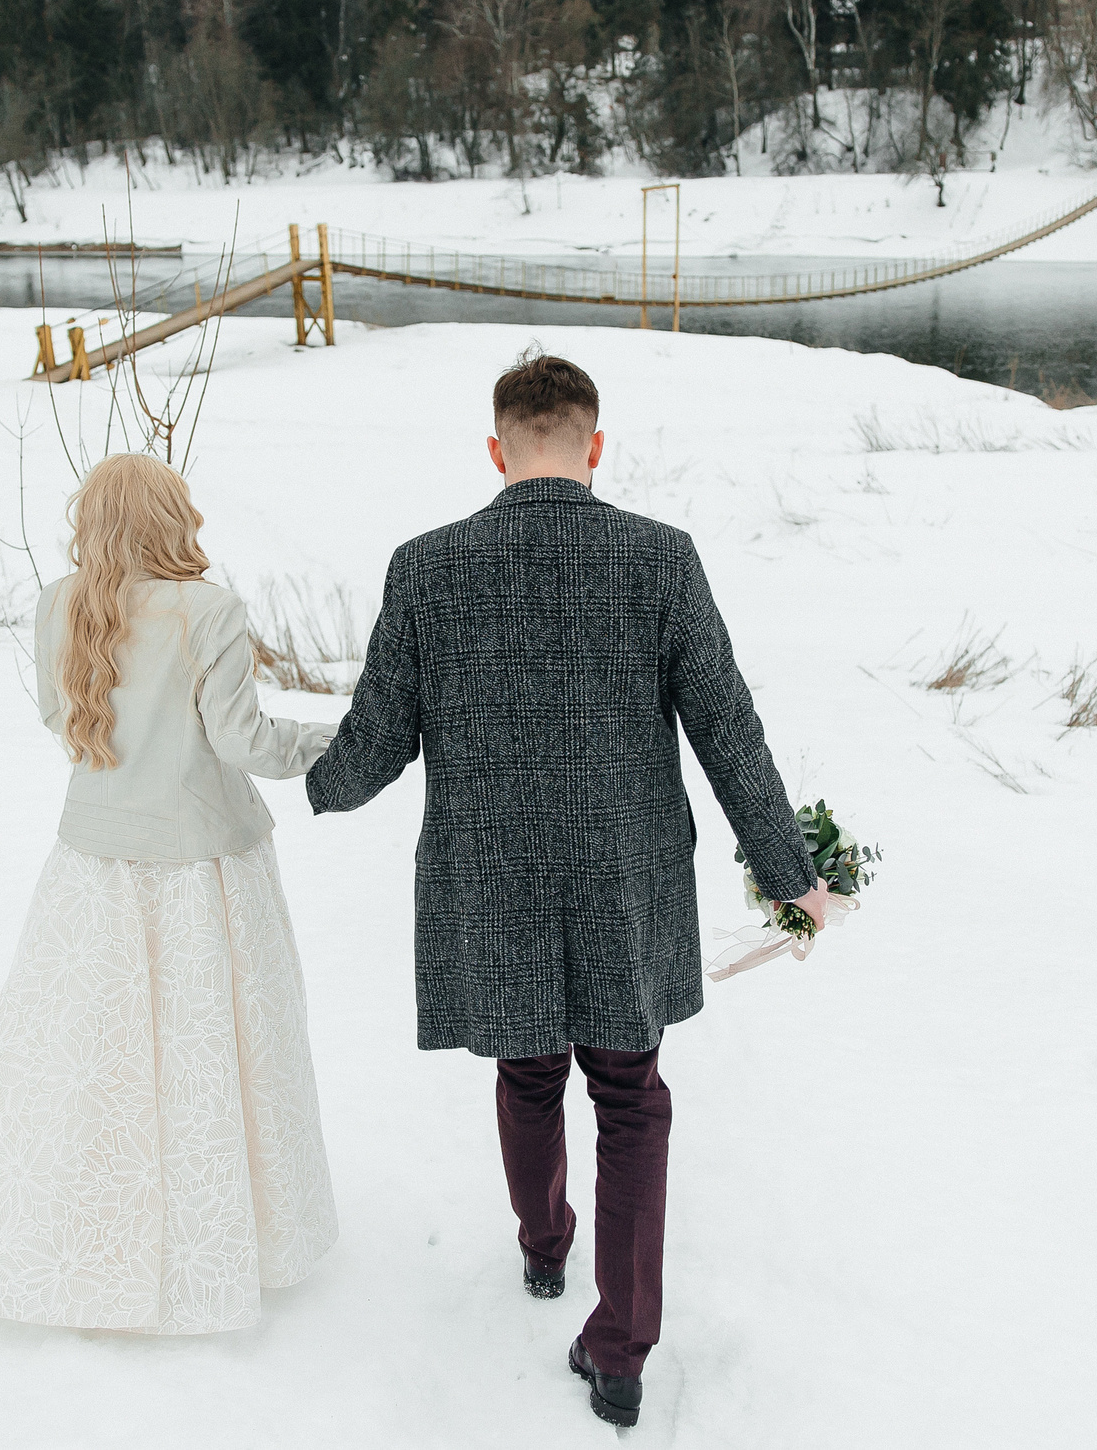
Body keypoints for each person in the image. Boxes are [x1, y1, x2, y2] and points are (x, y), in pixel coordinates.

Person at [307, 353, 822, 1429]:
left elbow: (375, 740)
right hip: (623, 881)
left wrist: (304, 786)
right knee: (631, 1098)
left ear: (497, 452)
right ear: (595, 447)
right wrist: (791, 873)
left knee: (528, 1075)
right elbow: (729, 728)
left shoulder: (426, 567)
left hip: (492, 882)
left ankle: (545, 1252)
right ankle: (622, 1345)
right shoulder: (660, 559)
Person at [0, 452, 339, 1335]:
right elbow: (243, 740)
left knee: (98, 1053)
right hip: (202, 868)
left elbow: (61, 720)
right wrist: (342, 740)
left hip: (93, 863)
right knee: (210, 1054)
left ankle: (96, 1233)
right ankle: (214, 1238)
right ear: (173, 517)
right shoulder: (207, 609)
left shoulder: (60, 602)